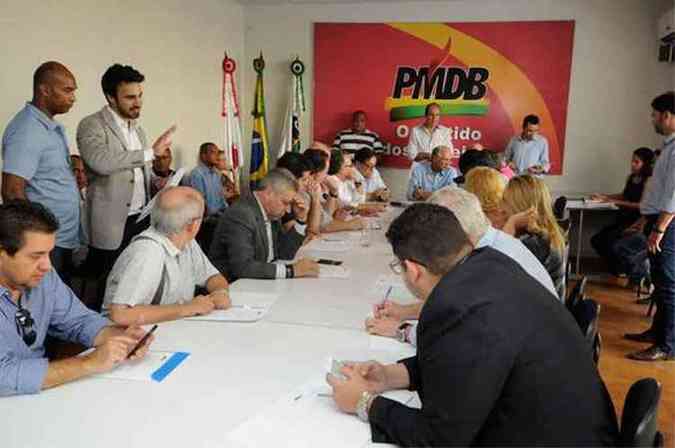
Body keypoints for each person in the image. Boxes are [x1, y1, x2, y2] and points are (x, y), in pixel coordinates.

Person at [328, 203, 619, 446]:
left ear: (413, 270)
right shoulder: (492, 264)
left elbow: (440, 439)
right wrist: (392, 375)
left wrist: (365, 403)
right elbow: (465, 363)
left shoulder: (454, 305)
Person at [0, 201, 154, 396]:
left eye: (49, 253)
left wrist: (119, 337)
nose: (47, 266)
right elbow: (3, 376)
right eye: (36, 256)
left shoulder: (43, 277)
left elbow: (78, 321)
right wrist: (88, 363)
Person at [366, 186, 558, 343]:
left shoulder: (487, 266)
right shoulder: (491, 245)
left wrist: (403, 331)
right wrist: (403, 311)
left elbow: (462, 337)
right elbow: (451, 305)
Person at [76, 63, 176, 293]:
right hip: (110, 223)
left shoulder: (137, 129)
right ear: (111, 98)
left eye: (140, 96)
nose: (138, 102)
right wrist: (151, 153)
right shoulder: (91, 124)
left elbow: (135, 172)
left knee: (134, 281)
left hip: (140, 216)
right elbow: (101, 162)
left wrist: (162, 182)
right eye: (130, 97)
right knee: (105, 285)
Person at [103, 187, 230, 325]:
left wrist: (220, 292)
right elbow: (121, 315)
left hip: (167, 329)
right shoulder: (148, 252)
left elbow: (213, 277)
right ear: (192, 225)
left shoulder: (187, 242)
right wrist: (187, 308)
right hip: (127, 337)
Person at [2, 62, 81, 284]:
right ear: (44, 90)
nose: (73, 97)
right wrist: (35, 239)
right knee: (41, 305)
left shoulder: (48, 127)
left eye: (74, 91)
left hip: (61, 237)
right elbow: (11, 191)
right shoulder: (27, 130)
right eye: (67, 90)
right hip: (43, 242)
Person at [625, 92, 675, 361]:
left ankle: (667, 345)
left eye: (655, 115)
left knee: (668, 285)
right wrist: (647, 219)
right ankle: (657, 334)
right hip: (659, 221)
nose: (652, 120)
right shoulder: (668, 146)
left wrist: (660, 228)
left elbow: (673, 194)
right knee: (659, 281)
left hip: (668, 225)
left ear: (667, 116)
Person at [209, 169, 319, 281]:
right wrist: (291, 270)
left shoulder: (271, 212)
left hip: (259, 283)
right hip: (233, 286)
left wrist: (300, 220)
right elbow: (243, 267)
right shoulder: (241, 214)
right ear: (268, 194)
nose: (288, 210)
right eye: (285, 203)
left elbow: (284, 254)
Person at [590, 147, 654, 282]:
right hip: (622, 217)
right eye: (632, 161)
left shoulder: (648, 181)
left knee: (613, 243)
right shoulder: (631, 178)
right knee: (597, 240)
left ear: (646, 164)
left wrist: (613, 201)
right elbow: (624, 196)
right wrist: (604, 197)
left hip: (635, 220)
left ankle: (625, 272)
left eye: (636, 162)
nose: (632, 164)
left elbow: (640, 205)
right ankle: (618, 271)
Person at [501, 175, 566, 300]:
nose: (501, 207)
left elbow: (496, 272)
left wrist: (510, 224)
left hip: (539, 315)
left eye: (505, 200)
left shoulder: (535, 244)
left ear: (520, 206)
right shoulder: (545, 235)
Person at [303, 148, 363, 233]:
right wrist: (352, 224)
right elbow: (323, 225)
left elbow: (327, 216)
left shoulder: (319, 186)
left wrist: (333, 192)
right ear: (317, 172)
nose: (327, 175)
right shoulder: (308, 188)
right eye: (326, 172)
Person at [276, 152, 322, 237]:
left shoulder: (300, 195)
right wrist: (301, 219)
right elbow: (301, 240)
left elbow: (314, 230)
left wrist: (315, 198)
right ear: (290, 179)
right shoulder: (279, 201)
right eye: (304, 179)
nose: (308, 183)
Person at [185, 142, 228, 217]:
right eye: (213, 153)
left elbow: (221, 197)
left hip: (220, 214)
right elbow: (200, 203)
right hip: (208, 219)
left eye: (217, 153)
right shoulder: (197, 174)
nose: (217, 156)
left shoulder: (216, 174)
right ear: (203, 156)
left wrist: (228, 211)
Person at [70, 155, 89, 268]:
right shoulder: (64, 201)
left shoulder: (88, 195)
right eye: (75, 171)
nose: (80, 176)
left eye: (83, 171)